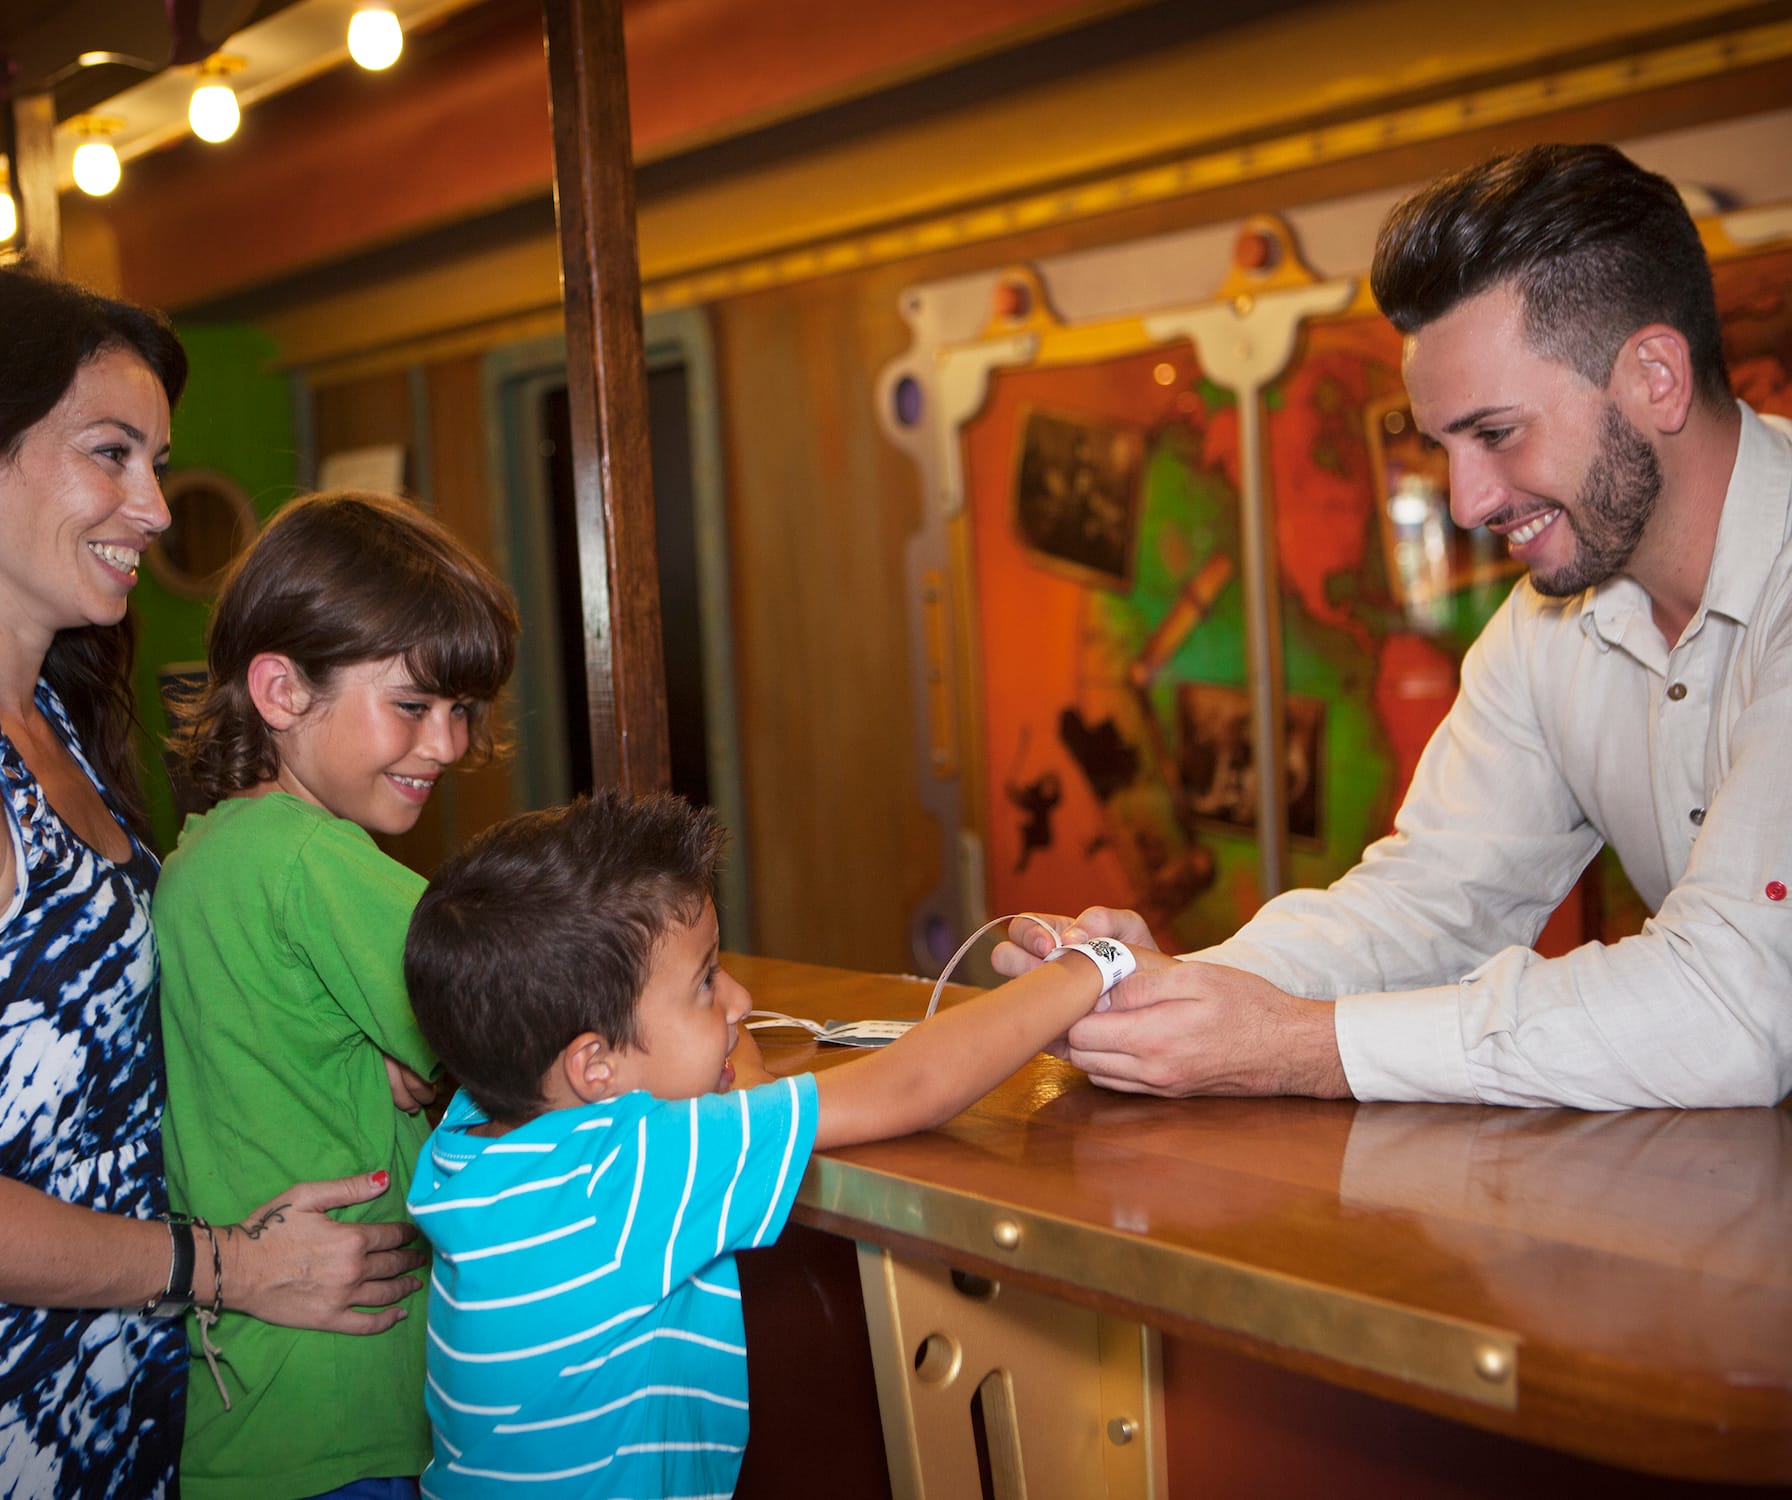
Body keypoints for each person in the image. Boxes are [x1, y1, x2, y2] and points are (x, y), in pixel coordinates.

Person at [0, 268, 426, 1498]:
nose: (150, 506)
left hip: (104, 1375)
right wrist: (233, 1268)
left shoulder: (43, 732)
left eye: (156, 460)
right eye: (110, 454)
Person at [995, 143, 1792, 1111]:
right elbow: (1431, 900)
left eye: (1494, 434)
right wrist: (1185, 991)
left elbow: (1730, 1004)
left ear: (1655, 376)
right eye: (1442, 447)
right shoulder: (1545, 624)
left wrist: (1299, 1045)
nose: (1464, 503)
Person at [401, 789, 1165, 1499]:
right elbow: (912, 1087)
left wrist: (711, 1034)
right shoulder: (630, 1169)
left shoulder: (476, 1124)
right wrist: (1091, 965)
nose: (741, 1000)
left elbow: (744, 1091)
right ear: (594, 1065)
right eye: (706, 982)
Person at [156, 490, 519, 1498]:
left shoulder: (205, 856)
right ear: (279, 689)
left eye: (460, 711)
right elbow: (542, 1049)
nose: (446, 746)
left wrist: (423, 1063)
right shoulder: (318, 862)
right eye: (412, 705)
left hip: (251, 1408)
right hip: (345, 1402)